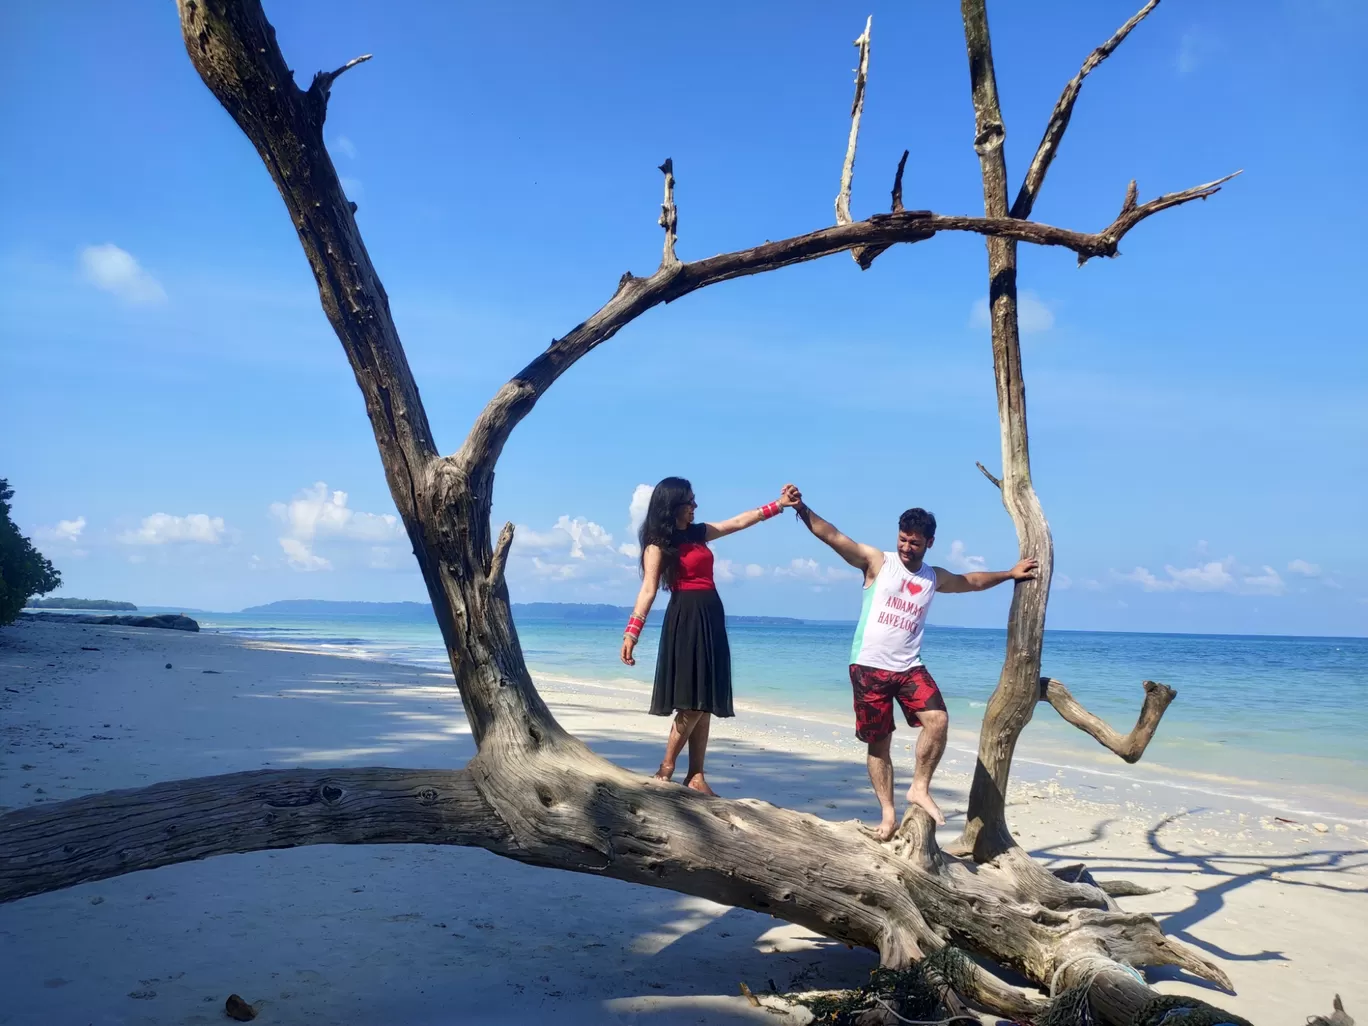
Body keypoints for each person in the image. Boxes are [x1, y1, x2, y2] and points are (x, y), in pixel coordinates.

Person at [790, 487, 1037, 840]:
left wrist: (1010, 574)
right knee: (880, 743)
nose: (907, 547)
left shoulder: (932, 577)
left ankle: (919, 787)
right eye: (903, 540)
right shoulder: (878, 562)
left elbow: (971, 581)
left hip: (908, 667)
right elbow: (832, 536)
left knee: (937, 721)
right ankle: (888, 815)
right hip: (868, 666)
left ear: (929, 543)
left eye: (915, 543)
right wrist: (801, 508)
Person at [621, 477, 799, 796]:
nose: (695, 506)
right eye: (690, 501)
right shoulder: (658, 544)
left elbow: (738, 522)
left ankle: (696, 775)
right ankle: (665, 770)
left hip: (711, 614)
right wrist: (632, 632)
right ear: (672, 505)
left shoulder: (698, 532)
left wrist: (778, 506)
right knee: (691, 703)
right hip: (685, 617)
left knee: (704, 701)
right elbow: (648, 589)